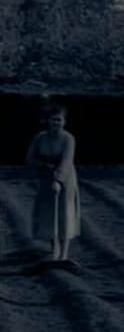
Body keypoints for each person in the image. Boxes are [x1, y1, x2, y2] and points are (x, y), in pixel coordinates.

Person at [26, 104, 80, 261]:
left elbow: (66, 160)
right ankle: (54, 249)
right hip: (45, 179)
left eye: (59, 120)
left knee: (64, 215)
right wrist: (43, 165)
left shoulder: (69, 139)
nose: (56, 123)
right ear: (48, 121)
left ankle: (64, 254)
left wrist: (58, 180)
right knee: (49, 216)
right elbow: (30, 158)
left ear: (64, 122)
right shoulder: (40, 138)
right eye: (53, 120)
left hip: (66, 179)